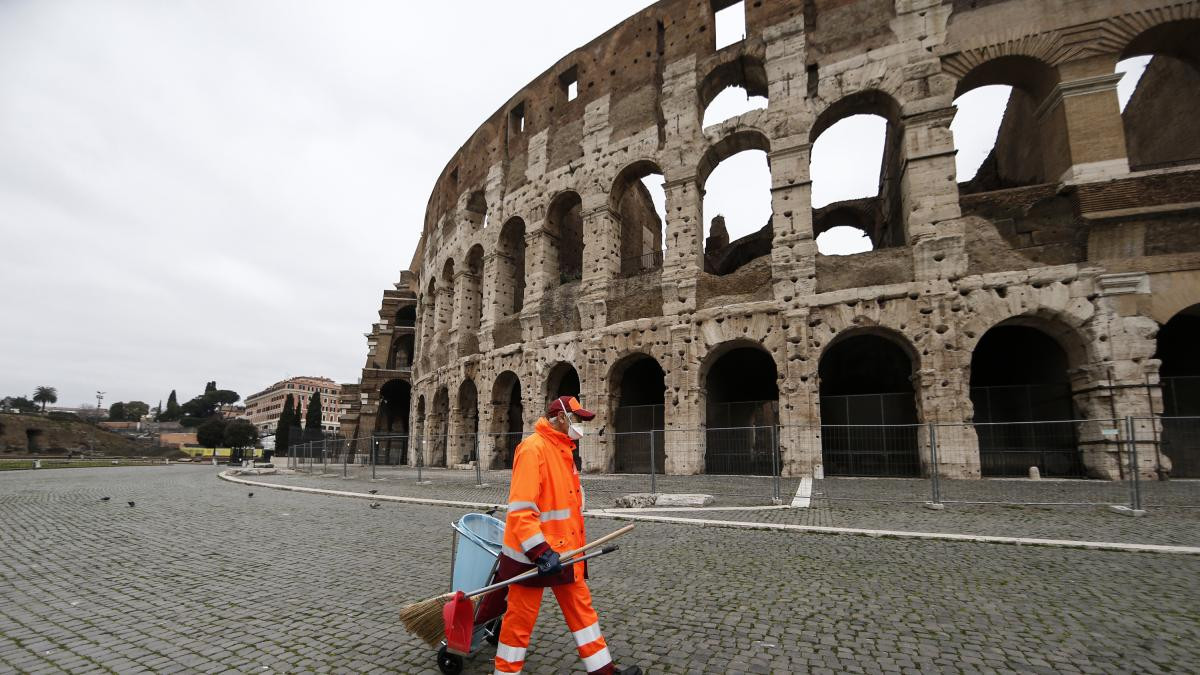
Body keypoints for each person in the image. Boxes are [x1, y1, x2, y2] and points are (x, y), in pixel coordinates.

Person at [493, 395, 641, 675]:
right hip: (532, 556)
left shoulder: (563, 450)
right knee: (518, 622)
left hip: (565, 551)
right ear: (561, 418)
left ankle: (603, 671)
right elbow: (522, 510)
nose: (580, 426)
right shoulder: (532, 449)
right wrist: (541, 552)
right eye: (577, 419)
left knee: (583, 613)